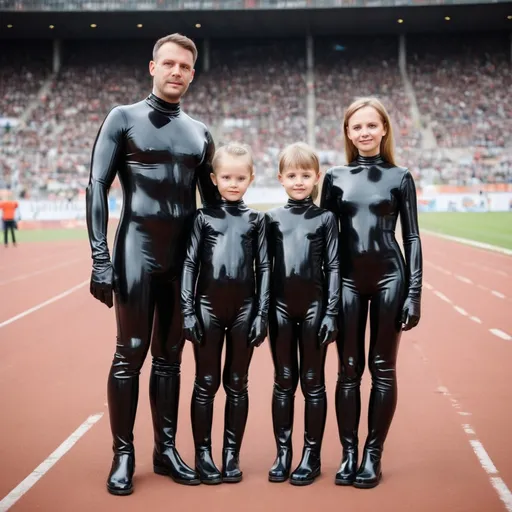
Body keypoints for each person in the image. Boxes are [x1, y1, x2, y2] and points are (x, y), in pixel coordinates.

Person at [85, 33, 221, 496]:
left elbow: (215, 205)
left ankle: (165, 450)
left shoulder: (200, 132)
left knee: (171, 359)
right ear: (152, 67)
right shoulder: (122, 118)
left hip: (184, 260)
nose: (177, 71)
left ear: (192, 74)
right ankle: (123, 455)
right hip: (136, 250)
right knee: (131, 353)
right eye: (169, 64)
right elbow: (96, 186)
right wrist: (100, 257)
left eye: (185, 66)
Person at [320, 97, 423, 489]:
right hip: (345, 281)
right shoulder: (334, 178)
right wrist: (324, 297)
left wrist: (414, 291)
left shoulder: (400, 178)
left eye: (371, 125)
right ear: (348, 133)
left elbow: (411, 237)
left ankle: (372, 455)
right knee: (348, 370)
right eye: (356, 126)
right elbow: (324, 240)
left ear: (384, 129)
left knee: (382, 369)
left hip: (389, 280)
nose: (364, 132)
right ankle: (349, 453)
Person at [181, 142, 270, 485]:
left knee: (237, 383)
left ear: (250, 179)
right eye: (227, 177)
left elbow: (264, 268)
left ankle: (231, 455)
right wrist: (188, 311)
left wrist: (261, 314)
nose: (233, 184)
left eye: (240, 177)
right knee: (205, 383)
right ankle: (203, 453)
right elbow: (190, 264)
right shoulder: (202, 218)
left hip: (245, 311)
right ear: (214, 179)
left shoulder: (256, 220)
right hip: (207, 310)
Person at [266, 143, 340, 486]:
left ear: (317, 178)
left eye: (305, 175)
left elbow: (334, 266)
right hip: (279, 310)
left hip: (314, 308)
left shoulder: (326, 218)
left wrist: (330, 312)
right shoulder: (271, 218)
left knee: (313, 383)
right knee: (284, 382)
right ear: (281, 178)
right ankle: (283, 453)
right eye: (292, 175)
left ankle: (311, 454)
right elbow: (263, 268)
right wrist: (261, 310)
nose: (299, 181)